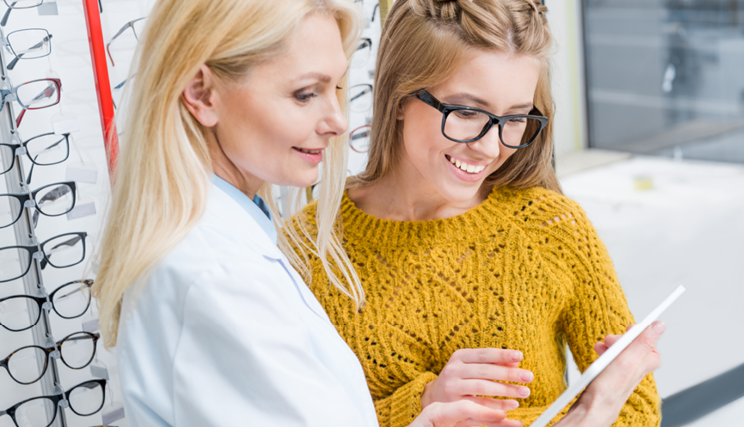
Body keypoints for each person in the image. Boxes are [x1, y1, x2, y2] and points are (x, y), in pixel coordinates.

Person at [92, 0, 522, 426]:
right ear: (203, 93)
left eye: (335, 88)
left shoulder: (231, 242)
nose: (337, 121)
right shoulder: (217, 276)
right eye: (304, 94)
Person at [290, 0, 664, 426]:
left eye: (515, 117)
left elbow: (636, 408)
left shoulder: (551, 229)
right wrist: (424, 403)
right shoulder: (312, 247)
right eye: (466, 111)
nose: (489, 147)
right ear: (397, 97)